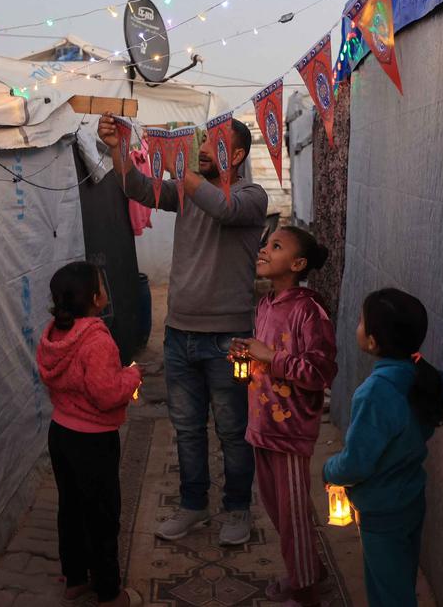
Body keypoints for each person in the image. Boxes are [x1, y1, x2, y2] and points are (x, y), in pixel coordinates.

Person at [97, 114, 268, 546]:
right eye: (203, 141)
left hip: (231, 340)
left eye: (214, 143)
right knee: (188, 428)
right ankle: (194, 506)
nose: (203, 148)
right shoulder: (188, 193)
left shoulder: (252, 195)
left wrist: (180, 168)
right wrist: (118, 147)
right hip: (178, 334)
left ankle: (237, 509)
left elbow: (222, 207)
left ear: (240, 155)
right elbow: (137, 187)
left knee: (233, 430)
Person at [322, 289, 443, 607]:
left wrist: (330, 469)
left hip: (382, 508)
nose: (357, 326)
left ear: (372, 341)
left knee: (387, 593)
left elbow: (357, 463)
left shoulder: (376, 393)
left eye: (360, 321)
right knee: (400, 580)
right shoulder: (422, 377)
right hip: (409, 496)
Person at [231, 226, 337, 607]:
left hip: (290, 430)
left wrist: (270, 357)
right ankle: (307, 570)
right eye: (265, 243)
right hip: (262, 424)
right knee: (278, 512)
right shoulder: (265, 305)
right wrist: (246, 357)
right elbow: (263, 356)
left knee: (294, 517)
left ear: (297, 264)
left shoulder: (309, 310)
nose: (263, 250)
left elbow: (321, 373)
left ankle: (307, 592)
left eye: (275, 246)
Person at [37, 261, 143, 607]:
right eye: (102, 283)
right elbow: (107, 394)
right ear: (96, 297)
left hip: (61, 433)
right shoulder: (96, 340)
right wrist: (133, 376)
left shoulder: (55, 334)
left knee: (70, 508)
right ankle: (110, 592)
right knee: (102, 513)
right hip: (92, 440)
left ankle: (76, 580)